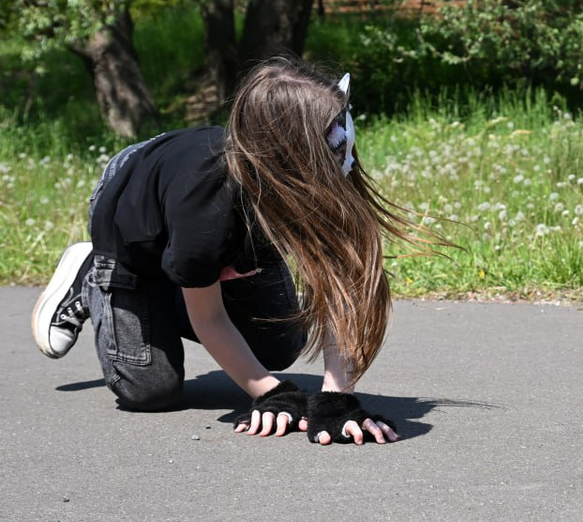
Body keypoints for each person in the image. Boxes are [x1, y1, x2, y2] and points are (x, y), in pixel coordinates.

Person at [31, 55, 425, 445]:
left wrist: (337, 401)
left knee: (280, 344)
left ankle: (186, 276)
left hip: (225, 233)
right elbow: (209, 316)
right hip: (135, 226)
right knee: (150, 389)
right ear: (289, 155)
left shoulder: (321, 170)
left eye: (343, 130)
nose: (346, 148)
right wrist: (270, 394)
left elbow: (344, 287)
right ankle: (91, 274)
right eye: (335, 140)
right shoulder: (207, 215)